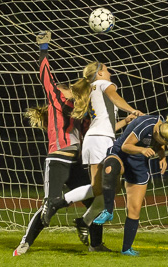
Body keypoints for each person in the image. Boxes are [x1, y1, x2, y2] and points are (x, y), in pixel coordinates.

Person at [13, 31, 106, 255]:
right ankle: (24, 243)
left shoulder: (82, 111)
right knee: (49, 205)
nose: (69, 91)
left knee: (97, 200)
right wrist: (43, 49)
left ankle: (96, 245)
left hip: (76, 162)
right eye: (66, 88)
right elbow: (46, 76)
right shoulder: (56, 98)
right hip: (57, 159)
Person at [41, 56, 144, 241]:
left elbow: (105, 124)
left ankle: (84, 221)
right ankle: (58, 203)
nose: (110, 72)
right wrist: (133, 110)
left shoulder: (94, 89)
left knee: (111, 188)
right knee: (101, 189)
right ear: (100, 73)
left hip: (102, 138)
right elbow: (117, 98)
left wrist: (125, 120)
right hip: (98, 140)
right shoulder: (103, 84)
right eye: (107, 69)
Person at [93, 115, 168, 256]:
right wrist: (142, 150)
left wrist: (162, 156)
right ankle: (108, 211)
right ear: (157, 132)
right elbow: (126, 146)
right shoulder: (145, 126)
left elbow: (161, 143)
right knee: (110, 168)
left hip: (138, 163)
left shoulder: (162, 127)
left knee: (134, 208)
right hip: (121, 154)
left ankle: (126, 249)